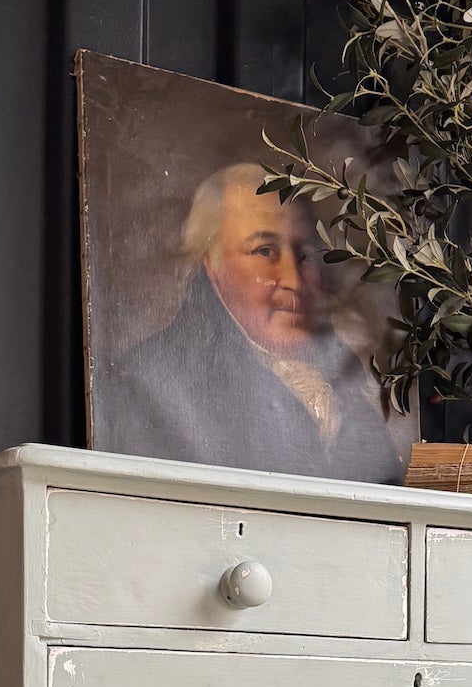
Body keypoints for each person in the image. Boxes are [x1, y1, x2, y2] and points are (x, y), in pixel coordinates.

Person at [97, 163, 404, 483]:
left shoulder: (347, 378)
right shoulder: (145, 384)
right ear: (212, 264)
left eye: (305, 255)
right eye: (264, 250)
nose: (292, 280)